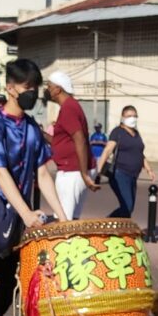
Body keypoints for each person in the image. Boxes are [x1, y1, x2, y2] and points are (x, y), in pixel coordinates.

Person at [0, 59, 66, 316]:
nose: (32, 93)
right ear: (11, 88)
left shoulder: (32, 127)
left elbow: (43, 173)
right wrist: (25, 213)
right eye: (27, 87)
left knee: (14, 276)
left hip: (21, 211)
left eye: (35, 87)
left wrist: (63, 216)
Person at [44, 70, 98, 219]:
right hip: (73, 169)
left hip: (72, 171)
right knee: (71, 220)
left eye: (49, 87)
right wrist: (41, 134)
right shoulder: (70, 106)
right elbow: (61, 141)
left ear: (58, 89)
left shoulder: (69, 108)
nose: (47, 90)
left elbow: (79, 139)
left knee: (63, 221)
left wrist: (83, 174)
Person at [95, 105, 155, 218]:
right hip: (120, 174)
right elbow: (107, 150)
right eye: (129, 116)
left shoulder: (136, 134)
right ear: (123, 117)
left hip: (133, 175)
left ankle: (116, 228)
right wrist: (98, 170)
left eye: (135, 116)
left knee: (129, 207)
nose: (132, 118)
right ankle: (108, 224)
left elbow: (140, 153)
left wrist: (149, 169)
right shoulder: (117, 132)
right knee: (127, 206)